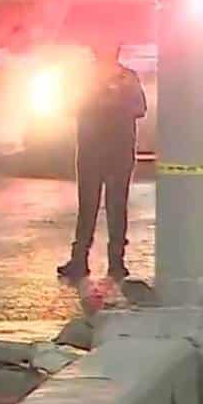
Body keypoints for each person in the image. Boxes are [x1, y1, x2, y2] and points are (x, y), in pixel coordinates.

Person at [57, 41, 147, 280]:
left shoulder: (124, 78)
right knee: (95, 206)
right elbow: (69, 106)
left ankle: (109, 261)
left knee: (109, 205)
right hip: (100, 148)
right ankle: (90, 260)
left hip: (106, 149)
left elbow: (140, 107)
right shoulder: (90, 79)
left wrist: (106, 100)